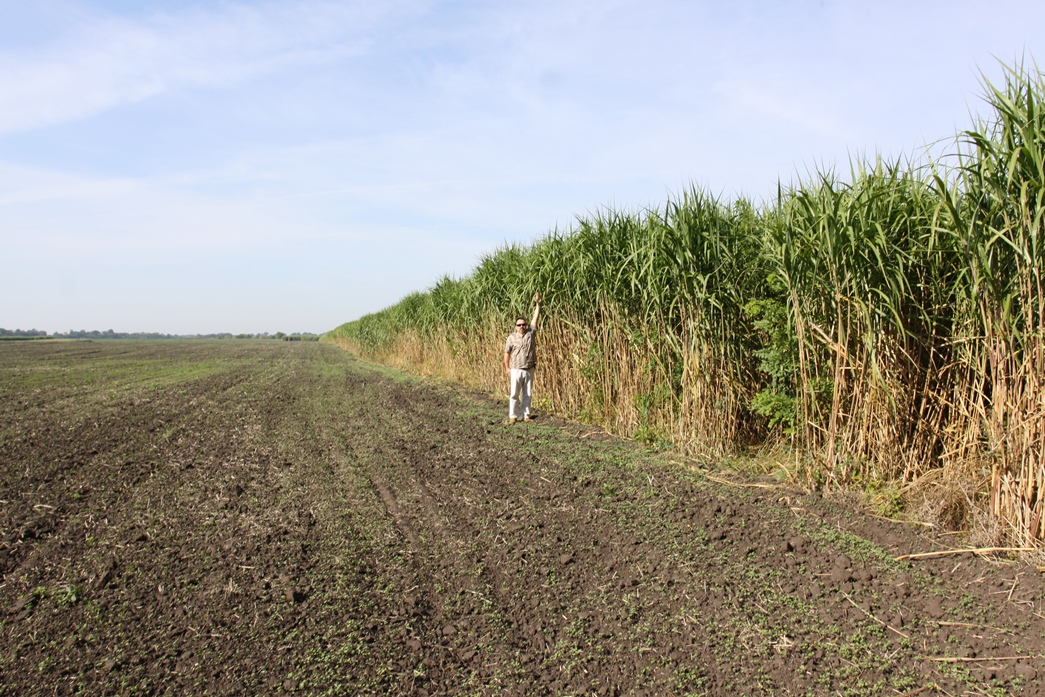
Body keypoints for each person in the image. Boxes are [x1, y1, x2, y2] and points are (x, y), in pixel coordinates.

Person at [504, 293, 542, 424]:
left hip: (529, 369)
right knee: (514, 394)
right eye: (519, 325)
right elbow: (507, 353)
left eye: (523, 324)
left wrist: (538, 304)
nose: (522, 327)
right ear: (515, 326)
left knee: (527, 394)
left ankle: (526, 416)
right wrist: (507, 368)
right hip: (516, 369)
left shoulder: (530, 334)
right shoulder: (511, 338)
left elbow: (535, 318)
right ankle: (513, 416)